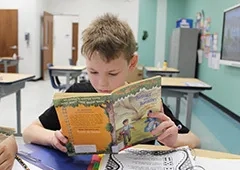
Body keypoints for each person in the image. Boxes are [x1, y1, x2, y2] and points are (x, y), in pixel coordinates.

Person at [23, 13, 200, 152]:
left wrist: (173, 139)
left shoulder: (146, 100)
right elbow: (29, 132)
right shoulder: (75, 95)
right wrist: (52, 137)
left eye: (113, 73)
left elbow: (194, 140)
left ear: (132, 63)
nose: (102, 83)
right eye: (93, 71)